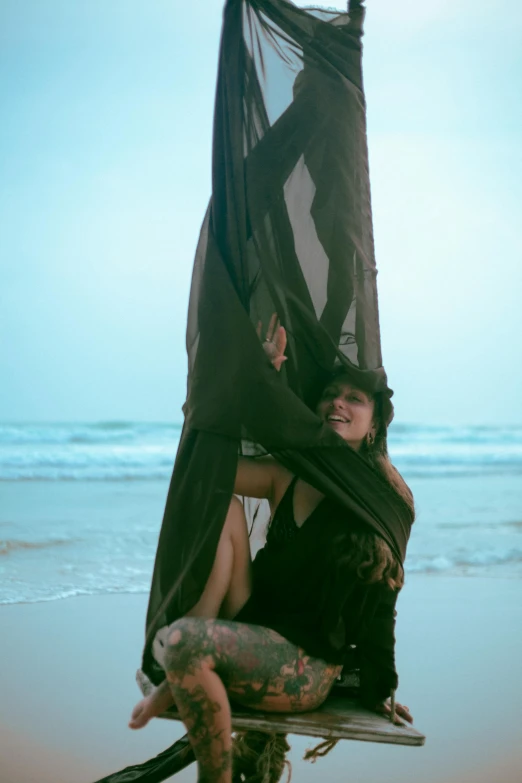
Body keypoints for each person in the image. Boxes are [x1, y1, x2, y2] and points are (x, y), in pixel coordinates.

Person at [128, 316, 414, 783]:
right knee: (221, 507)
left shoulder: (383, 500)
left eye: (354, 398)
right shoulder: (289, 474)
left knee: (179, 644)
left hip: (306, 665)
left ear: (375, 422)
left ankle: (195, 688)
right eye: (329, 395)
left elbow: (383, 603)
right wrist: (251, 379)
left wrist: (379, 687)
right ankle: (193, 638)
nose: (337, 402)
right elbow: (206, 465)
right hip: (254, 623)